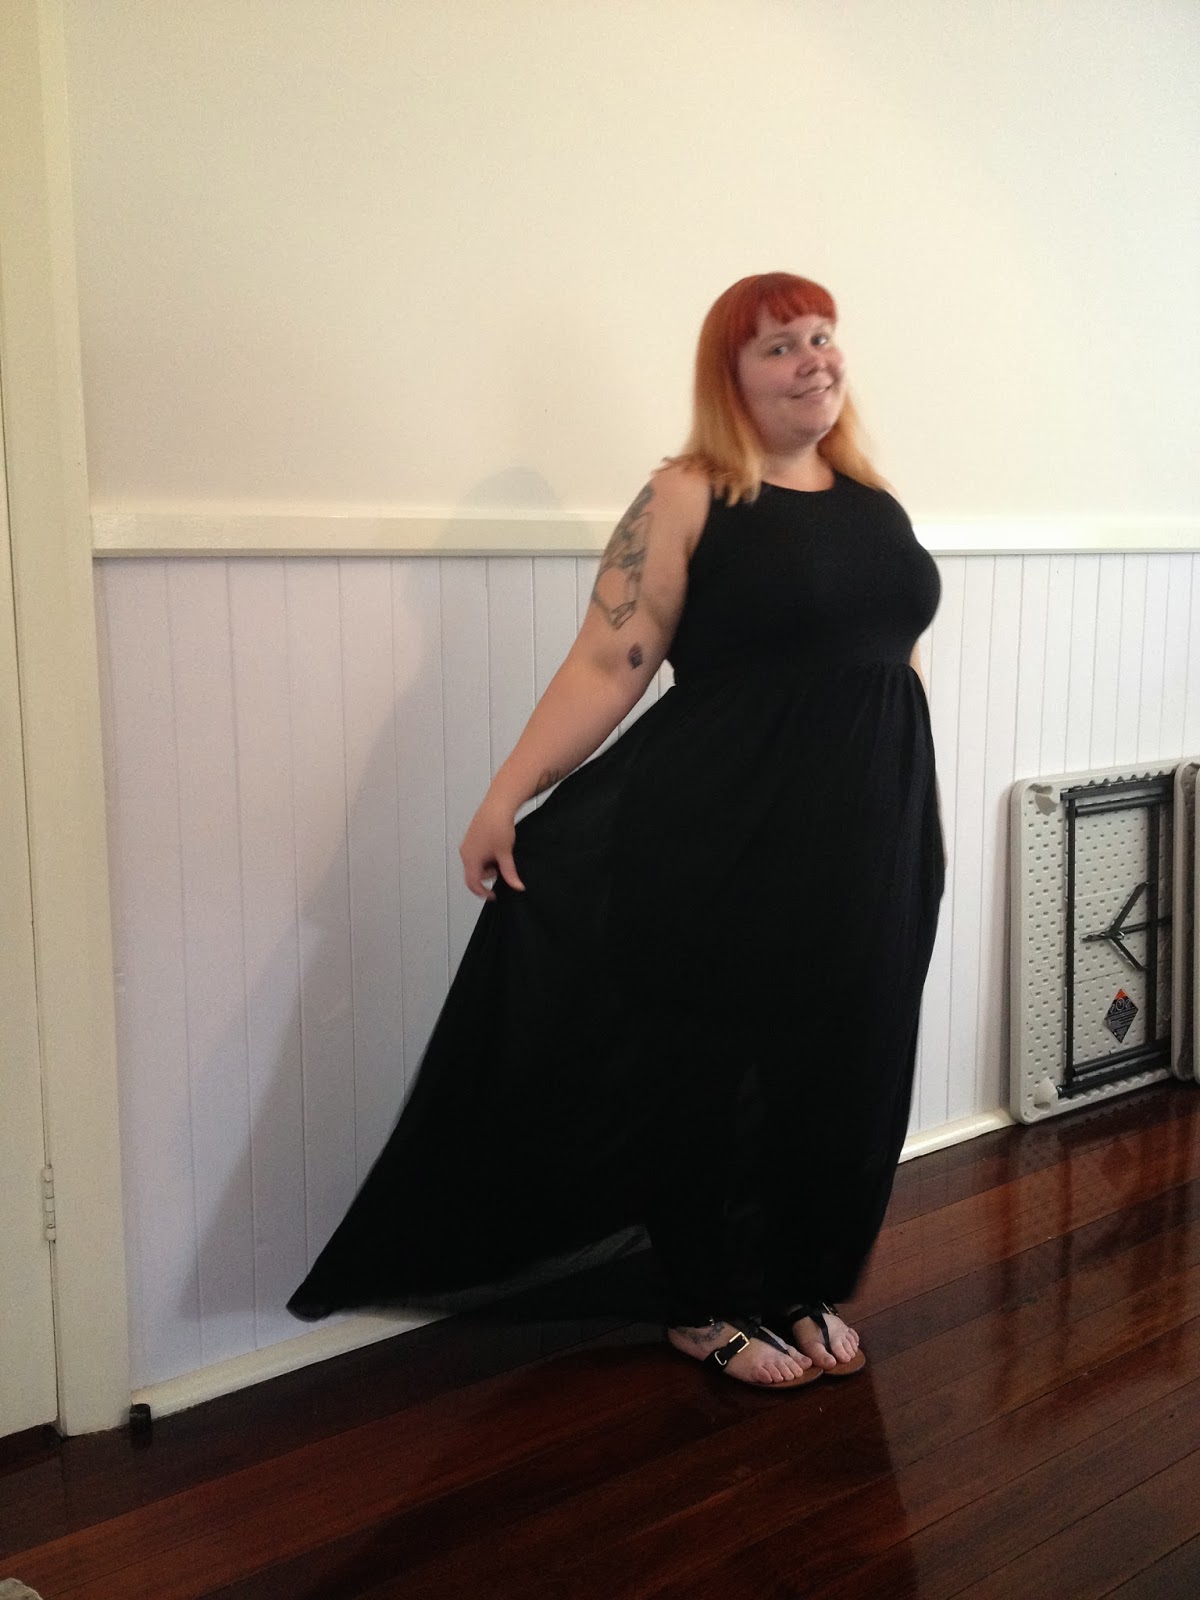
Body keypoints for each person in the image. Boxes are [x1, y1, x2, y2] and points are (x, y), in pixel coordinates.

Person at [288, 271, 945, 1391]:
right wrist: (505, 796)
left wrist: (913, 819)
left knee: (844, 1061)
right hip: (719, 834)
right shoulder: (687, 494)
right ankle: (703, 1302)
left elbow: (894, 667)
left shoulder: (874, 502)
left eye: (822, 336)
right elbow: (610, 660)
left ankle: (797, 1280)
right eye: (780, 345)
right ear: (730, 376)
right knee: (707, 1066)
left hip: (869, 840)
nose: (814, 359)